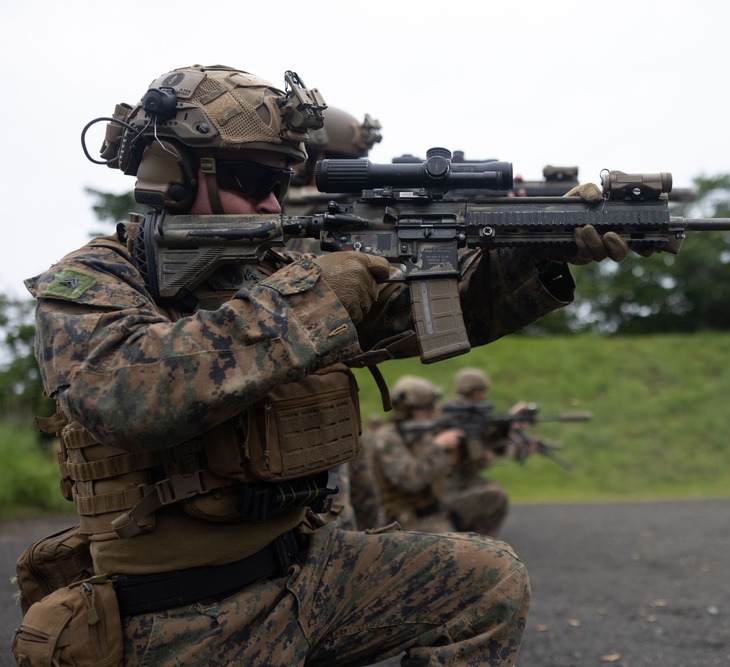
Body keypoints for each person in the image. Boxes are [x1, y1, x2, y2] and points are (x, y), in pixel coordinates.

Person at [23, 62, 639, 666]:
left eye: (282, 180)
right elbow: (123, 395)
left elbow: (416, 316)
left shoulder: (270, 271)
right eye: (251, 180)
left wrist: (537, 251)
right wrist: (313, 298)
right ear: (171, 176)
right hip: (180, 615)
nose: (273, 203)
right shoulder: (94, 279)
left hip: (307, 572)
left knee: (487, 581)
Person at [369, 376, 463, 532]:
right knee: (462, 550)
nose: (432, 414)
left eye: (432, 408)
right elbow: (410, 481)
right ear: (404, 410)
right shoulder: (387, 440)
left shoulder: (421, 434)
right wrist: (437, 447)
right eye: (425, 409)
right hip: (405, 520)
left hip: (433, 511)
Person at [439, 367, 518, 536]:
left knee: (494, 492)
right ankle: (477, 540)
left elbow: (488, 442)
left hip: (463, 477)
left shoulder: (473, 412)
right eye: (480, 390)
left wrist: (506, 427)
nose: (484, 395)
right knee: (495, 496)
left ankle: (478, 538)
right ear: (469, 390)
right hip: (448, 481)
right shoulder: (451, 413)